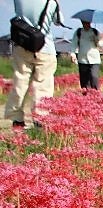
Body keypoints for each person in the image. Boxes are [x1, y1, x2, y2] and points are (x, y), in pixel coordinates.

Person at [5, 0, 66, 130]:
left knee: (20, 82)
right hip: (45, 47)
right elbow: (58, 21)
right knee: (43, 85)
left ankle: (17, 119)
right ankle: (40, 119)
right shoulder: (52, 2)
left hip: (22, 45)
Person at [71, 18, 101, 90]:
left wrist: (96, 40)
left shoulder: (95, 32)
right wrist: (73, 54)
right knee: (84, 81)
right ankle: (85, 97)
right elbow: (74, 44)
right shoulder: (79, 32)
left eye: (87, 22)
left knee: (94, 77)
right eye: (84, 22)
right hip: (82, 59)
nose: (86, 24)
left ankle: (96, 95)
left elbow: (100, 45)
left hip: (94, 59)